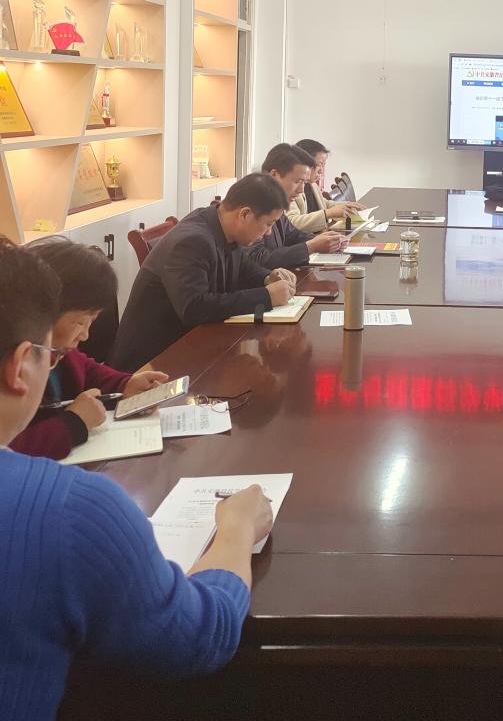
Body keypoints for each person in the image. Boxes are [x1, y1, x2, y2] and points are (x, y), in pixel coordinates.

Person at [0, 238, 274, 721]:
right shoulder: (69, 513)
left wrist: (121, 384)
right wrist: (235, 530)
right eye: (52, 355)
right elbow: (200, 637)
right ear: (22, 365)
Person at [110, 174, 297, 372]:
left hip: (192, 348)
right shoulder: (192, 240)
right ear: (244, 214)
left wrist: (267, 277)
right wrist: (266, 297)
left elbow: (241, 266)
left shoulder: (221, 224)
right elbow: (195, 308)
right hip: (151, 363)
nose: (269, 233)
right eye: (268, 224)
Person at [11, 240, 169, 460]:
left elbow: (85, 368)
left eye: (91, 321)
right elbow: (9, 450)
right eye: (80, 322)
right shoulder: (12, 362)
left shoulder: (58, 349)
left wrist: (124, 385)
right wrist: (73, 424)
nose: (85, 335)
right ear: (45, 309)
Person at [247, 144, 344, 270]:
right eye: (298, 181)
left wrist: (327, 241)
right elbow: (259, 259)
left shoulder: (276, 201)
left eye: (304, 182)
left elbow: (293, 235)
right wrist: (311, 247)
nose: (301, 190)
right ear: (274, 175)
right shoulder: (252, 203)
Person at [287, 139, 363, 234]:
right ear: (305, 163)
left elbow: (325, 204)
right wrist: (329, 213)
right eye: (319, 165)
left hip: (320, 236)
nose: (321, 171)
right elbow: (292, 223)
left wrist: (346, 205)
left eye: (324, 165)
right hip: (308, 240)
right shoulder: (291, 190)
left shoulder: (313, 185)